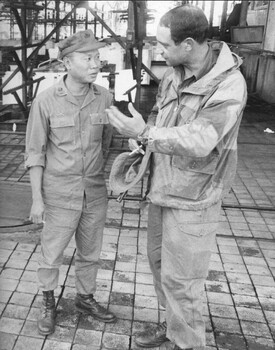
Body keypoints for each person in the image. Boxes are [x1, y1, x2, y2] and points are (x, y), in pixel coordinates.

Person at [106, 4, 247, 350]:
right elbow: (157, 114)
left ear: (188, 44)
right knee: (160, 268)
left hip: (195, 198)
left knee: (183, 281)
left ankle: (188, 342)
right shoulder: (174, 73)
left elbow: (201, 140)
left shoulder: (229, 84)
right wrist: (141, 139)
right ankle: (173, 328)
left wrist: (147, 134)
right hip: (162, 189)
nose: (159, 51)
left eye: (165, 45)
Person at [25, 29, 116, 336]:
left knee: (91, 252)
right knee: (52, 254)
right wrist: (37, 199)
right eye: (87, 58)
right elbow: (35, 153)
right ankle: (48, 302)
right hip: (59, 193)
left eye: (97, 57)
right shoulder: (46, 101)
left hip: (94, 192)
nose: (95, 64)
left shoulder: (104, 97)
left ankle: (85, 299)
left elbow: (105, 144)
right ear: (66, 63)